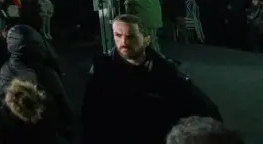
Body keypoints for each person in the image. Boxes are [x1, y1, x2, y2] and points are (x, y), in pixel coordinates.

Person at [81, 14, 221, 144]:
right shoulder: (102, 69)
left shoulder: (165, 70)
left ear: (146, 39)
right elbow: (89, 116)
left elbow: (202, 107)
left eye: (131, 37)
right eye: (118, 35)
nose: (123, 42)